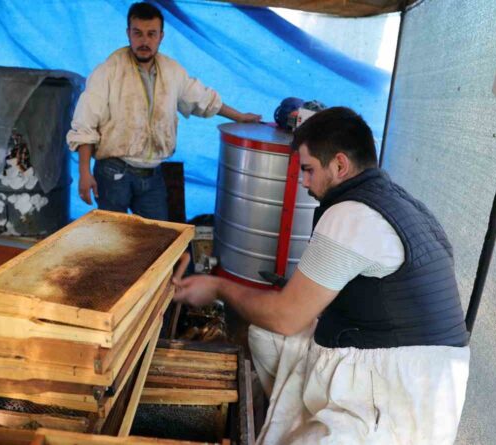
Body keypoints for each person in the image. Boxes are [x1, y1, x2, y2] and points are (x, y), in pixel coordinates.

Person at [173, 107, 471, 444]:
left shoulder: (352, 215)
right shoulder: (405, 205)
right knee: (264, 335)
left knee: (279, 331)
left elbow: (286, 316)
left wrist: (218, 287)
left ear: (340, 165)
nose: (304, 182)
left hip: (401, 384)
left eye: (309, 170)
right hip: (412, 362)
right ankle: (274, 414)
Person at [66, 2, 261, 220]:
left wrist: (239, 117)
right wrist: (84, 172)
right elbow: (85, 123)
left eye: (151, 34)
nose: (144, 41)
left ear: (161, 36)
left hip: (153, 173)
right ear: (128, 33)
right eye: (138, 33)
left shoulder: (172, 71)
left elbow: (203, 100)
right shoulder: (108, 71)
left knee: (156, 239)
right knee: (112, 241)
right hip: (113, 172)